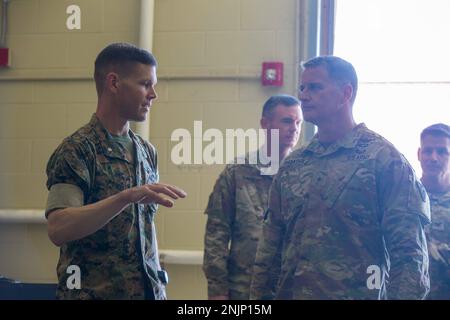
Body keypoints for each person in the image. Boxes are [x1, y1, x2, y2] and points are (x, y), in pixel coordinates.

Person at [250, 56, 431, 300]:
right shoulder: (294, 164)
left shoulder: (384, 161)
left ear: (346, 93)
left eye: (315, 87)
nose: (304, 95)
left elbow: (410, 258)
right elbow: (269, 251)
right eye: (302, 88)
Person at [45, 43, 186, 299]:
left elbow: (144, 231)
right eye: (145, 84)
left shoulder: (145, 151)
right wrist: (125, 197)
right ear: (113, 83)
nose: (153, 94)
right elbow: (58, 227)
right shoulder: (77, 149)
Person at [203, 95, 302, 300]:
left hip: (291, 289)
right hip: (244, 289)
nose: (294, 128)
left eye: (298, 122)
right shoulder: (237, 172)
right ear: (265, 124)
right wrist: (218, 290)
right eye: (286, 121)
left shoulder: (304, 174)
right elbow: (216, 235)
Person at [418, 123, 450, 299]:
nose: (434, 157)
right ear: (419, 154)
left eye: (442, 151)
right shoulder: (403, 196)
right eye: (428, 151)